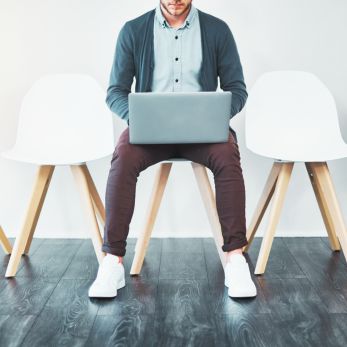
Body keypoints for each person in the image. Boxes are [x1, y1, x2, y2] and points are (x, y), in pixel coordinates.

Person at [89, 0, 257, 299]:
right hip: (151, 131)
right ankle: (112, 261)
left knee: (228, 154)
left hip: (204, 132)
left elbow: (237, 89)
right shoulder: (133, 30)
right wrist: (140, 118)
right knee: (123, 155)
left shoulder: (217, 31)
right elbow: (115, 91)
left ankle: (235, 257)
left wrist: (214, 116)